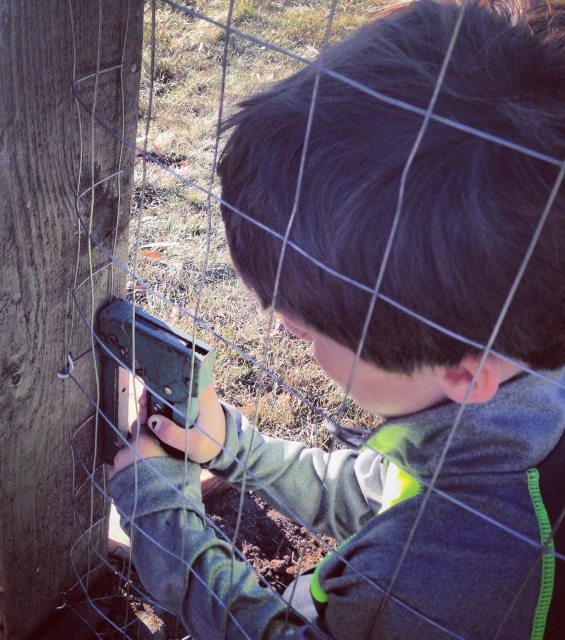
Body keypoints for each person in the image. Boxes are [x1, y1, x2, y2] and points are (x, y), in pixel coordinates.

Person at [109, 0, 565, 637]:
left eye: (307, 328)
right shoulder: (520, 399)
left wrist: (159, 511)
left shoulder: (421, 578)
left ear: (466, 371)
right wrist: (234, 448)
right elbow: (381, 489)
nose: (280, 331)